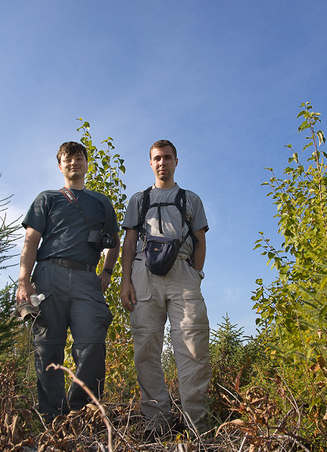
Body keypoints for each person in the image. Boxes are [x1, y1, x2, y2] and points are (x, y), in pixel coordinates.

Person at [16, 141, 120, 420]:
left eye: (79, 158)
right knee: (47, 347)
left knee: (93, 343)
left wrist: (107, 272)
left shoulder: (101, 202)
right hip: (50, 274)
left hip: (88, 278)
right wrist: (24, 280)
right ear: (60, 166)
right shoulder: (47, 198)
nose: (74, 163)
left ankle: (80, 413)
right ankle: (52, 419)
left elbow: (115, 241)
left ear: (87, 164)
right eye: (68, 159)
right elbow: (31, 240)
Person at [120, 139, 211, 434]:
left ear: (176, 162)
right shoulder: (138, 200)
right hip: (143, 276)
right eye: (157, 158)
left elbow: (201, 240)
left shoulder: (190, 199)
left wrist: (195, 275)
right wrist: (125, 281)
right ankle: (157, 425)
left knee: (193, 348)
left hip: (183, 276)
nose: (162, 163)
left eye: (167, 158)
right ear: (150, 163)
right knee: (145, 348)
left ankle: (198, 427)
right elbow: (129, 241)